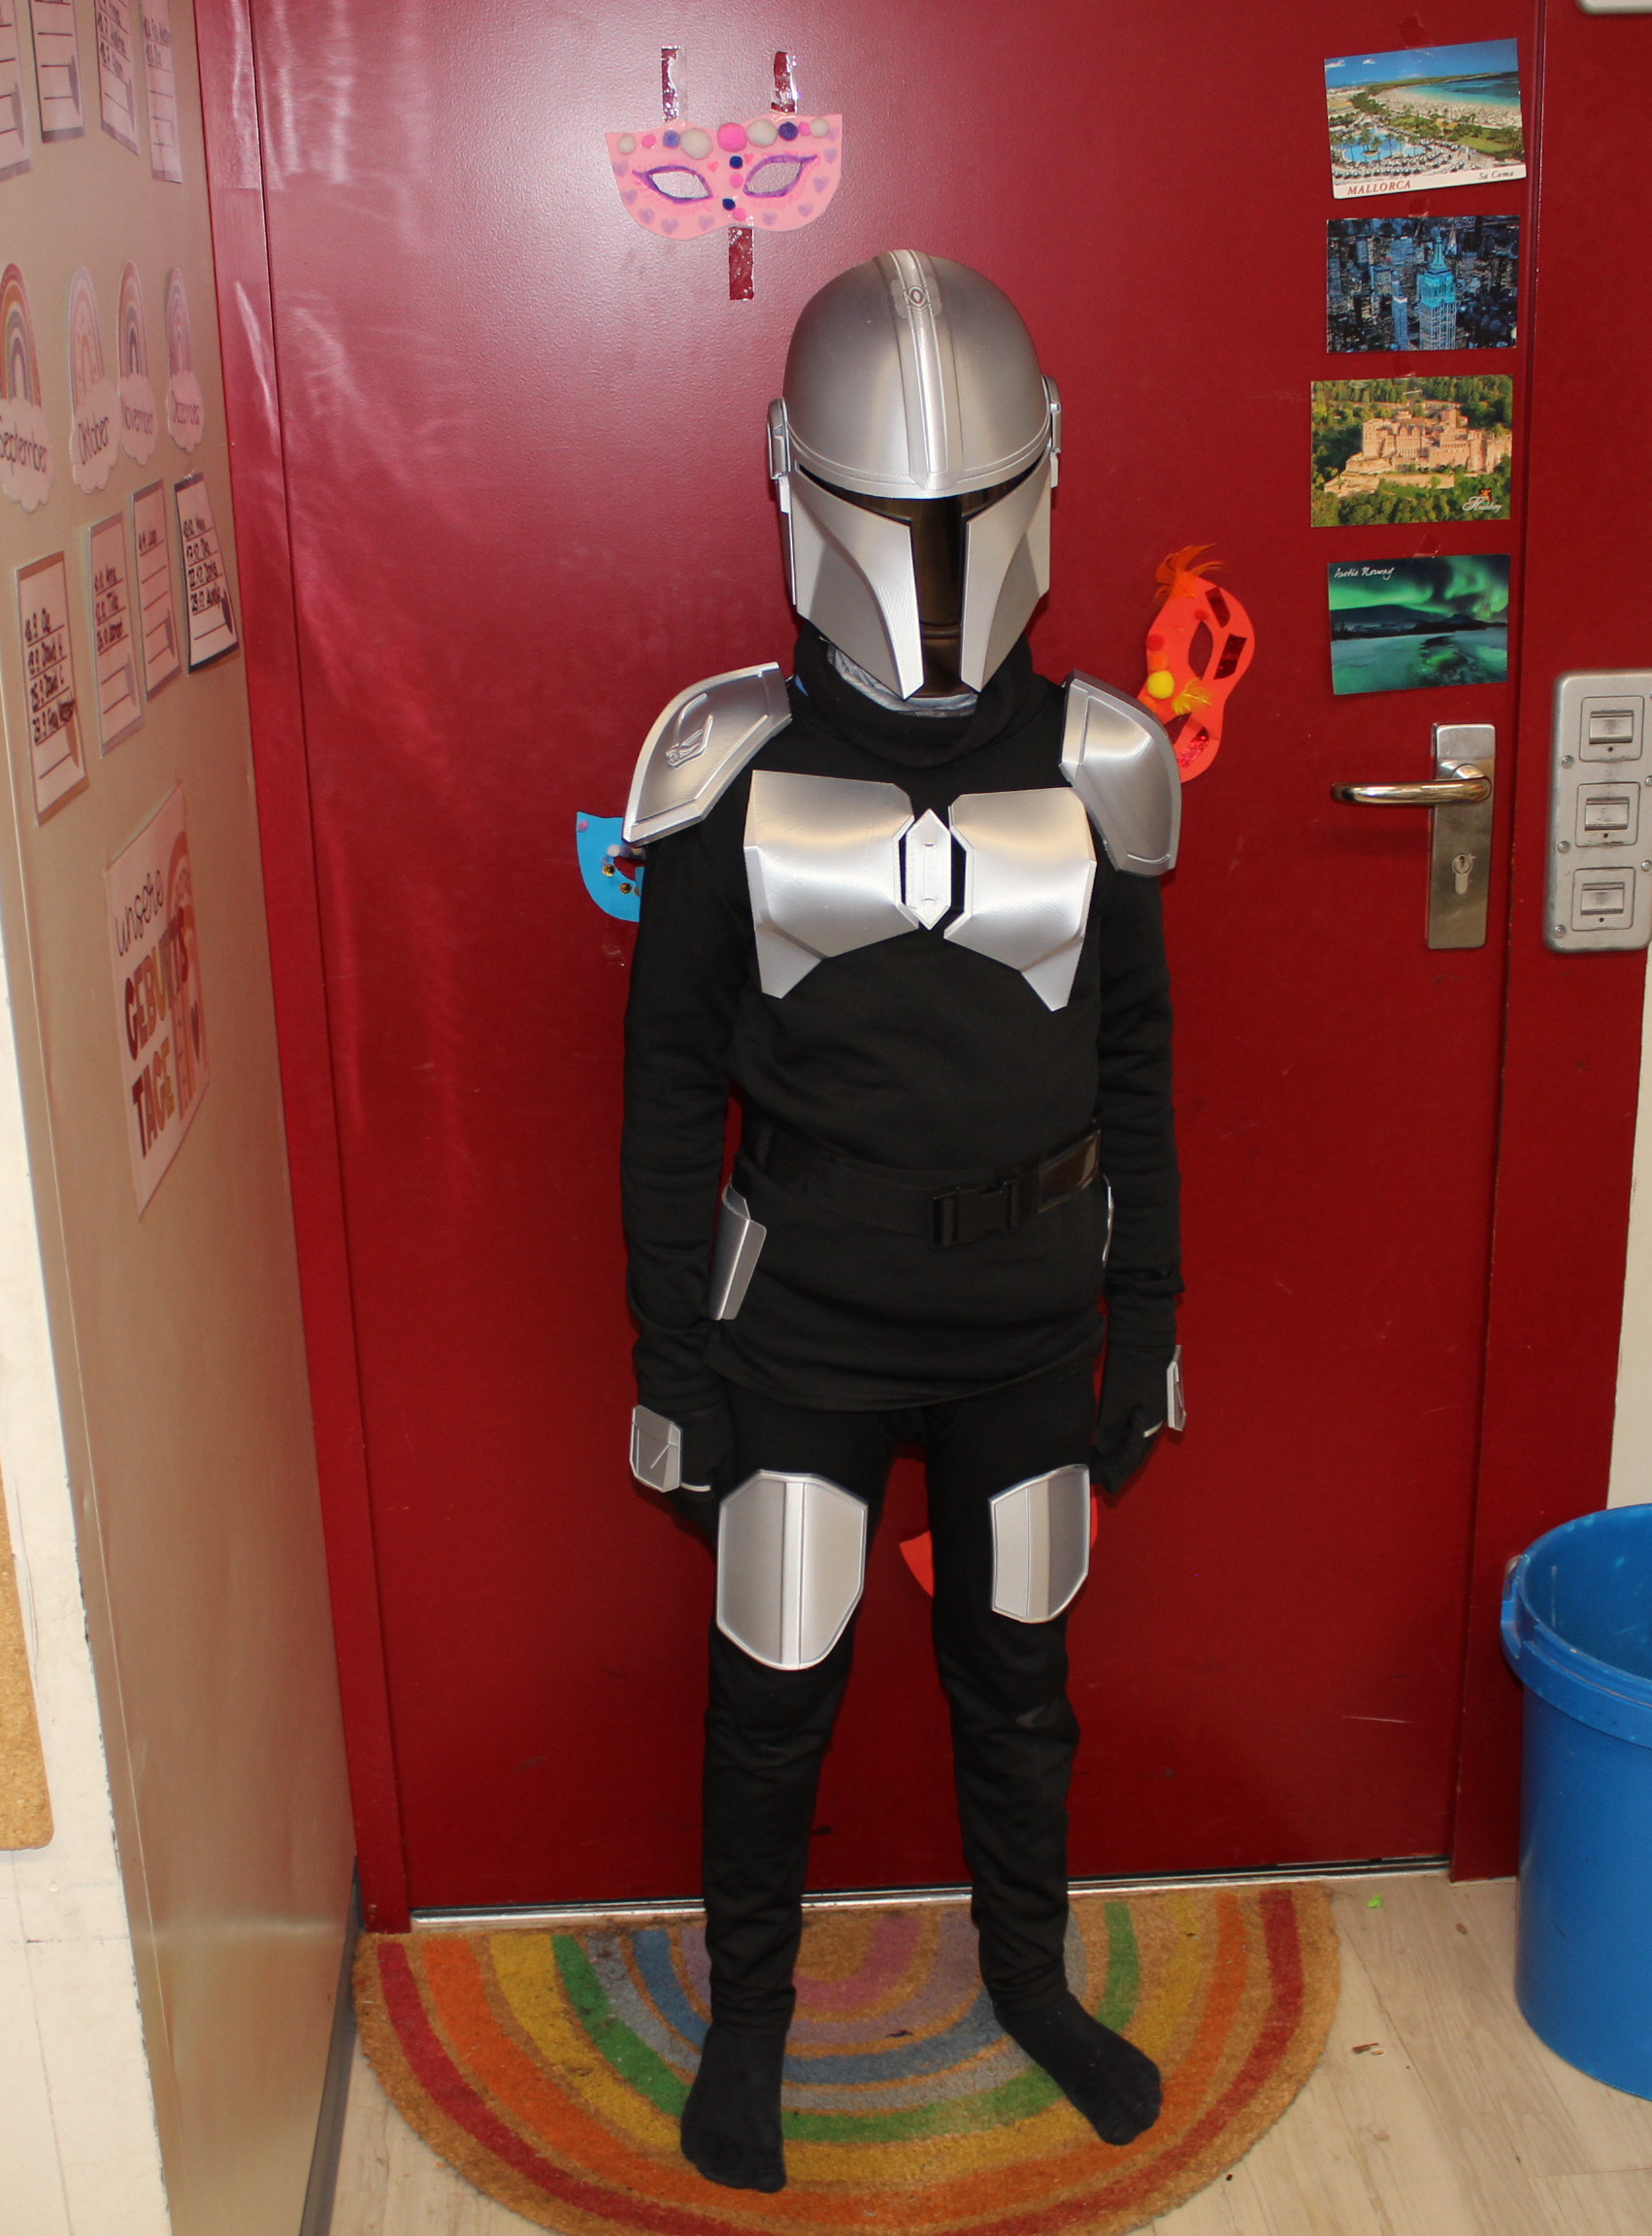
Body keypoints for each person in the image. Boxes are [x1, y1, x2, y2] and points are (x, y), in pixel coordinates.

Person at [615, 248, 1184, 2194]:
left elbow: (1137, 1066)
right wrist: (675, 1364)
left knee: (1020, 1680)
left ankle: (1027, 1980)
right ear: (796, 484)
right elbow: (668, 1093)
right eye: (894, 515)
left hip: (1028, 1313)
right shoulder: (728, 766)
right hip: (809, 1317)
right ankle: (752, 2023)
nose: (932, 563)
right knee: (772, 1686)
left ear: (1041, 476)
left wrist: (1146, 1322)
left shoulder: (1102, 763)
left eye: (967, 514)